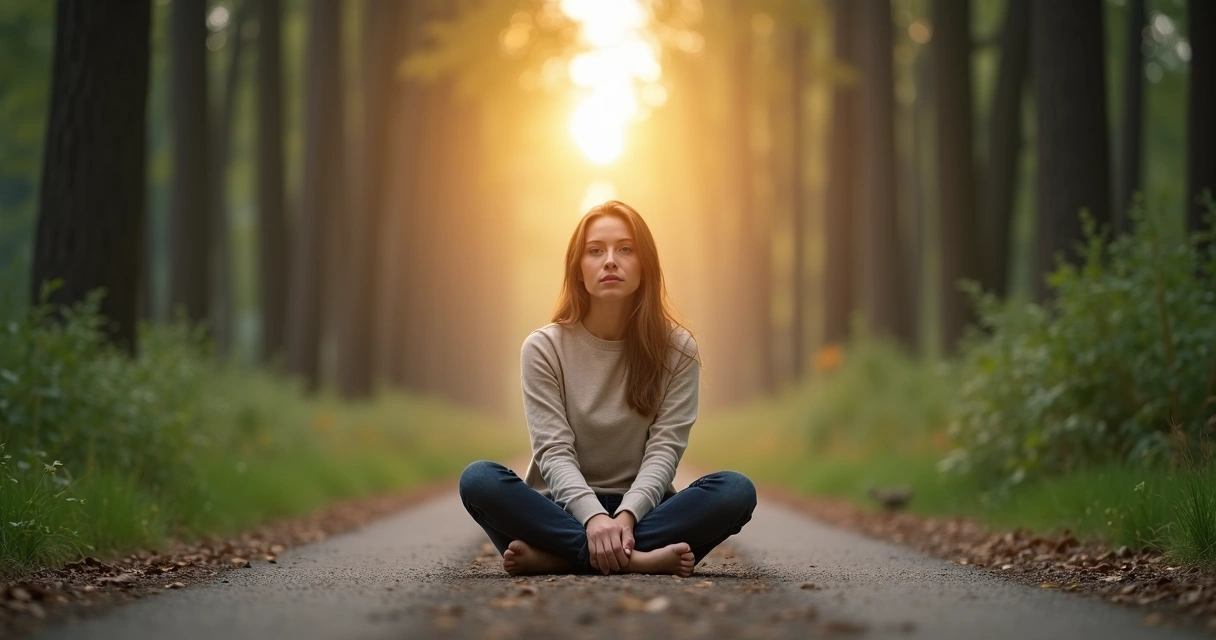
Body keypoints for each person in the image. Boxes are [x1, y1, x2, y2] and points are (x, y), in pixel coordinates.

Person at [459, 200, 757, 577]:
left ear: (644, 266)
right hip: (558, 511)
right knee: (479, 480)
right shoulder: (543, 348)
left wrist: (627, 516)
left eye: (626, 249)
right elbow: (553, 451)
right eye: (596, 251)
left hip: (646, 511)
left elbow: (664, 450)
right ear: (578, 270)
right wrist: (593, 518)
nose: (610, 260)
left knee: (735, 491)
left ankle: (563, 559)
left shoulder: (678, 349)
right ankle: (638, 561)